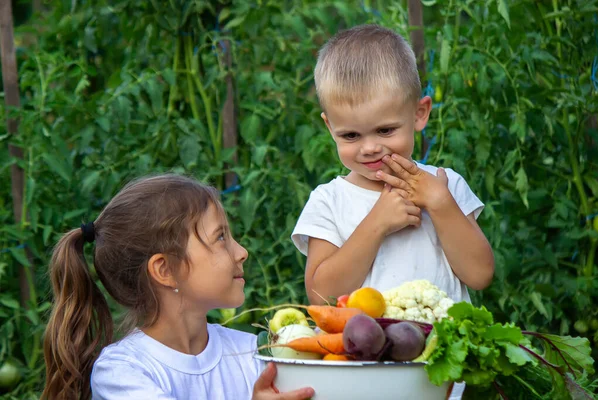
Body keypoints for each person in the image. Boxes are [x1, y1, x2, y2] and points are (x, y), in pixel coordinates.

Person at [42, 174, 314, 400]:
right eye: (220, 237)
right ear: (165, 270)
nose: (242, 252)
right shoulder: (121, 372)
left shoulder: (251, 352)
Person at [291, 23, 495, 325]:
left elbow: (480, 275)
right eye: (350, 136)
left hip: (446, 362)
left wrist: (440, 203)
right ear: (329, 127)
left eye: (385, 130)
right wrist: (378, 223)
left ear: (419, 114)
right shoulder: (329, 201)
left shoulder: (444, 184)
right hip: (367, 365)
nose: (370, 148)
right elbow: (322, 296)